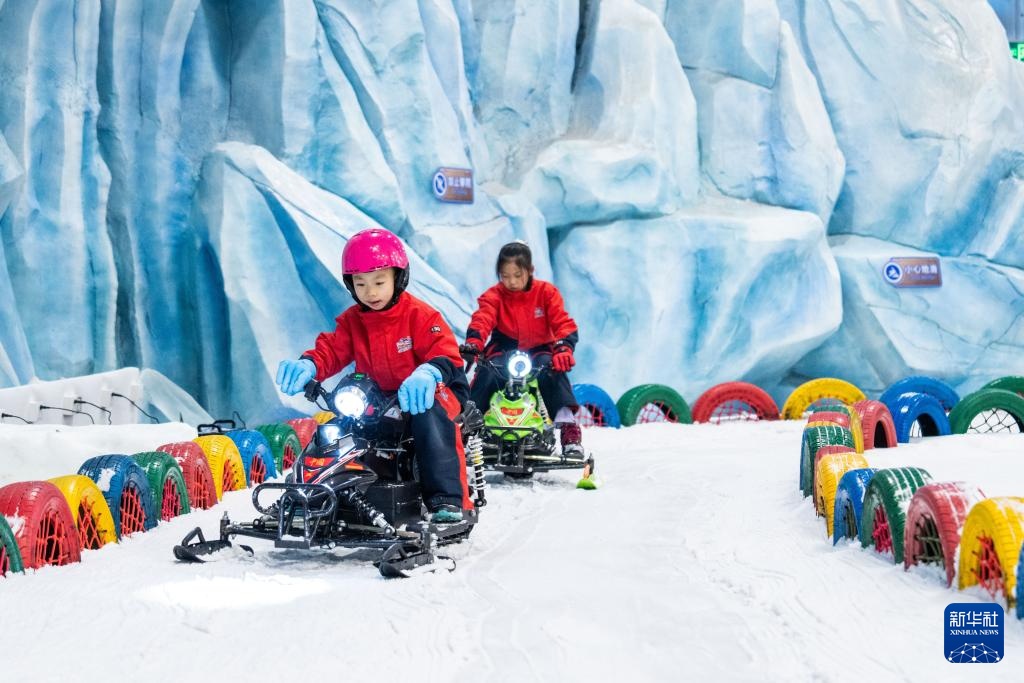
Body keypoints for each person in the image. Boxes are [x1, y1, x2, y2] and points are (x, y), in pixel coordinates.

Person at [275, 228, 471, 523]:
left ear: (398, 277)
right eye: (361, 283)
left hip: (428, 390)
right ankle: (313, 494)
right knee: (337, 429)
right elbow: (333, 348)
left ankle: (446, 499)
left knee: (430, 417)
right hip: (377, 398)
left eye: (379, 281)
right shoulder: (353, 321)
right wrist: (310, 365)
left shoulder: (420, 315)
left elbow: (445, 352)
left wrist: (429, 372)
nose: (371, 292)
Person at [460, 241, 584, 456]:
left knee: (552, 371)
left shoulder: (546, 293)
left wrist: (563, 348)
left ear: (530, 271)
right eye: (505, 276)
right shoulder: (494, 296)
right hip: (504, 347)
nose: (512, 282)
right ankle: (468, 430)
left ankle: (568, 429)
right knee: (487, 373)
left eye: (517, 275)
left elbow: (562, 322)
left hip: (539, 348)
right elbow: (483, 319)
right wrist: (474, 343)